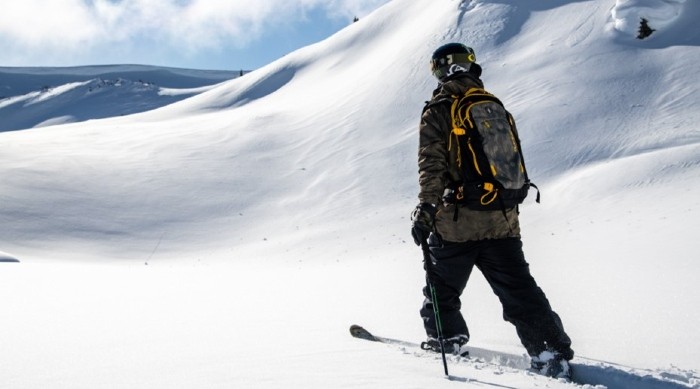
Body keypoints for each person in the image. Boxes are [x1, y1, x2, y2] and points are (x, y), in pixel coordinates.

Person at [410, 42, 574, 379]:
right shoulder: (493, 105)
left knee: (441, 285)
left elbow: (432, 165)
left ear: (442, 70)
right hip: (503, 219)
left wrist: (426, 209)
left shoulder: (439, 109)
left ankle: (447, 337)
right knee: (519, 289)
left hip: (457, 223)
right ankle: (550, 351)